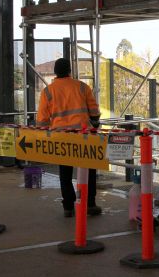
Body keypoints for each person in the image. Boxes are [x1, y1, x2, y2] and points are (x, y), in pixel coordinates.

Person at [36, 58, 102, 217]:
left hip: (61, 137)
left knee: (65, 172)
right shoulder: (82, 86)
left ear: (55, 72)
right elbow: (94, 111)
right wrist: (95, 122)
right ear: (69, 70)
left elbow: (42, 121)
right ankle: (90, 204)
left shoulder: (47, 92)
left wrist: (44, 133)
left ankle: (68, 207)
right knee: (89, 169)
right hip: (83, 135)